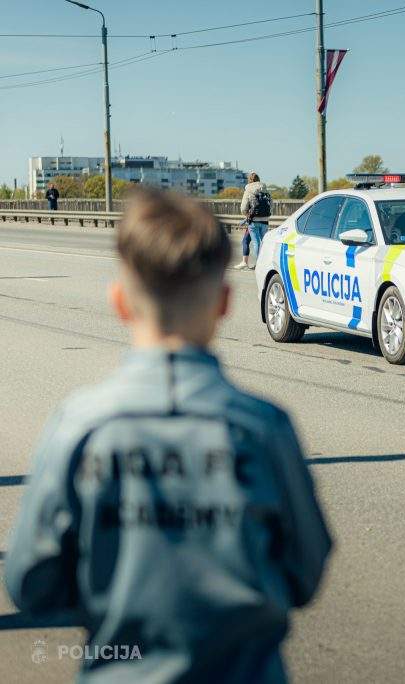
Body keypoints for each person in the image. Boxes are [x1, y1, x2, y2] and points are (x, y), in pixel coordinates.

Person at [5, 187, 332, 683]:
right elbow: (304, 570)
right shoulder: (263, 427)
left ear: (120, 302)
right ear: (224, 303)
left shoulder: (79, 426)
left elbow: (31, 581)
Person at [235, 172, 274, 269]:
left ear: (249, 180)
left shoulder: (249, 190)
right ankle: (268, 263)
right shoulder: (265, 190)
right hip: (265, 220)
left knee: (256, 243)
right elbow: (271, 205)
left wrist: (247, 215)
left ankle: (259, 264)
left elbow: (243, 208)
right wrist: (266, 215)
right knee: (264, 242)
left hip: (254, 220)